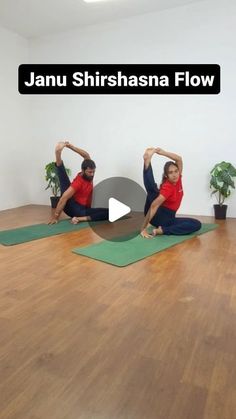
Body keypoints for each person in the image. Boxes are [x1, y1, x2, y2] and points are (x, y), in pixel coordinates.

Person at [140, 147, 201, 238]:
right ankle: (147, 162)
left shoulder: (178, 178)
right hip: (158, 216)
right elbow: (154, 206)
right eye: (171, 172)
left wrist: (163, 152)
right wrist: (143, 229)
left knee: (196, 224)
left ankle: (162, 230)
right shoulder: (167, 187)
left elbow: (179, 159)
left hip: (169, 219)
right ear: (166, 175)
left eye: (176, 171)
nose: (174, 174)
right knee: (153, 190)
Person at [48, 141, 108, 224]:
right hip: (74, 208)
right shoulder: (78, 182)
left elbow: (86, 155)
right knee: (64, 182)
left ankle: (80, 219)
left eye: (93, 171)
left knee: (109, 212)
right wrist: (55, 217)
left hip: (82, 208)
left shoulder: (88, 167)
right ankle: (58, 153)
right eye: (90, 172)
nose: (92, 174)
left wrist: (71, 147)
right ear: (83, 171)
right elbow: (63, 198)